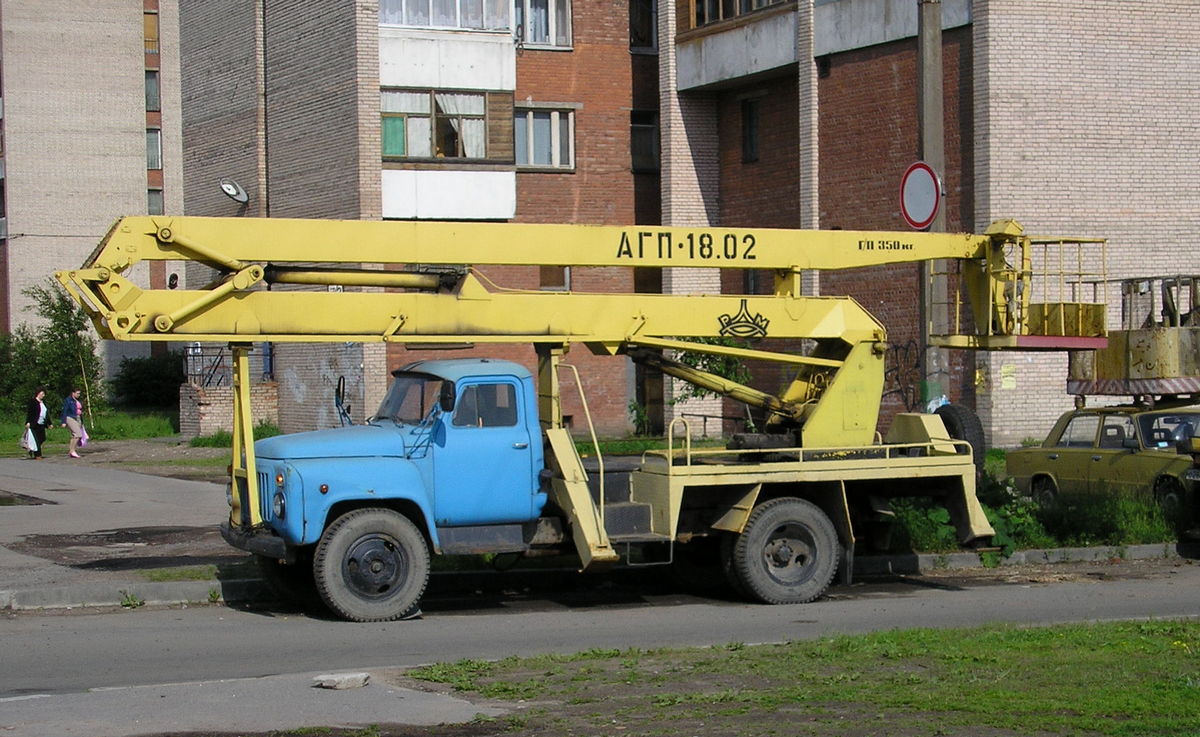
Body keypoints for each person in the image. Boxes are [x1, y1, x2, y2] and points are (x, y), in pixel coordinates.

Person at [24, 386, 49, 460]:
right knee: (36, 440)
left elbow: (46, 413)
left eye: (44, 394)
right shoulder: (33, 402)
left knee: (42, 438)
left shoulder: (43, 403)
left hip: (42, 423)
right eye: (42, 393)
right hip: (34, 423)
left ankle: (33, 449)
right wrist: (28, 422)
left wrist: (49, 423)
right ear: (38, 393)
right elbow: (30, 412)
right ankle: (38, 455)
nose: (43, 395)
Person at [60, 387, 85, 458]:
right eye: (77, 393)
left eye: (79, 393)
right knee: (78, 434)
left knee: (74, 435)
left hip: (78, 418)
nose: (78, 395)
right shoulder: (68, 400)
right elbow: (64, 410)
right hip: (70, 417)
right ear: (73, 393)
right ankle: (72, 451)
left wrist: (82, 421)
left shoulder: (78, 400)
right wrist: (63, 421)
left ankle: (72, 450)